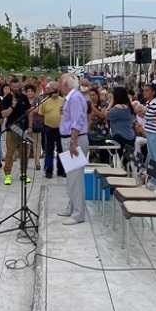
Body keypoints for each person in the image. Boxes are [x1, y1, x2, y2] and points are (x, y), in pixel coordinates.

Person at [57, 73, 89, 225]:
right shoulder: (70, 97)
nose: (58, 85)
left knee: (76, 178)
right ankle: (72, 207)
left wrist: (72, 142)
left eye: (60, 81)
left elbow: (77, 121)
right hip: (69, 139)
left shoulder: (75, 98)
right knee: (71, 177)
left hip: (74, 140)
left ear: (66, 84)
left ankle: (78, 214)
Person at [0, 82, 34, 186]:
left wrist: (30, 126)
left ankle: (23, 173)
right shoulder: (6, 99)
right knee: (10, 153)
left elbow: (30, 112)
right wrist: (12, 106)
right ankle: (7, 175)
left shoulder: (23, 97)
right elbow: (3, 114)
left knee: (24, 153)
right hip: (11, 129)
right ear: (10, 87)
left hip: (23, 129)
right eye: (13, 87)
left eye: (17, 87)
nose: (15, 88)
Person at [34, 81, 65, 180]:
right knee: (49, 151)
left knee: (61, 150)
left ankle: (61, 170)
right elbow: (40, 115)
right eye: (53, 89)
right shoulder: (45, 101)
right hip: (49, 128)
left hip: (61, 129)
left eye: (56, 89)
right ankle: (48, 170)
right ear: (49, 90)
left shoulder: (64, 100)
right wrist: (47, 122)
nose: (55, 91)